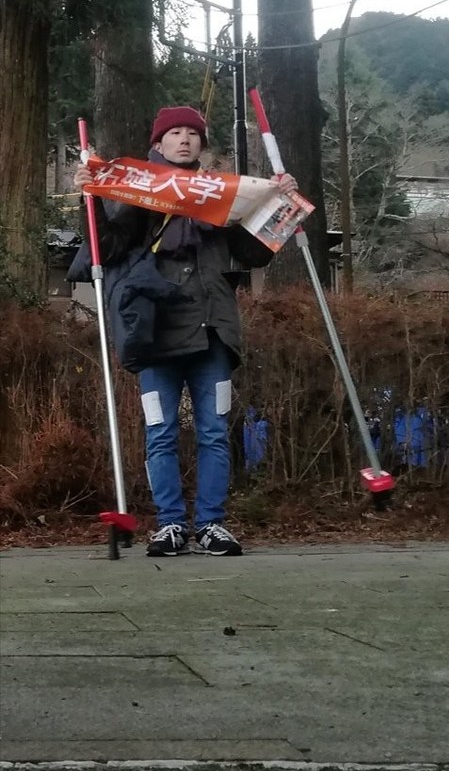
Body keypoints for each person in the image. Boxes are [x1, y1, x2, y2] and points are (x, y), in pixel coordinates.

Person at [71, 106, 297, 557]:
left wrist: (281, 203)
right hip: (154, 330)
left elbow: (254, 254)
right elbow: (109, 245)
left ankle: (212, 523)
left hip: (213, 330)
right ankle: (170, 523)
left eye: (192, 133)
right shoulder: (140, 192)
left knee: (214, 429)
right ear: (158, 143)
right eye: (174, 133)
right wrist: (90, 197)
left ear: (201, 144)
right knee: (160, 430)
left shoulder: (222, 195)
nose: (184, 140)